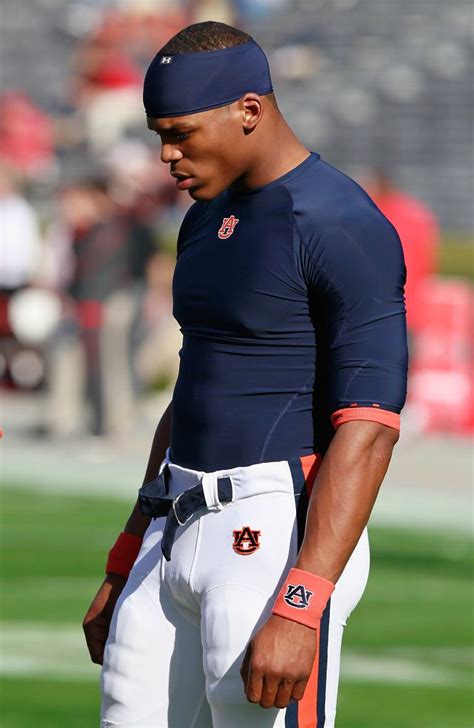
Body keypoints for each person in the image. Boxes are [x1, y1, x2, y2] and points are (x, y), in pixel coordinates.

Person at [83, 21, 408, 728]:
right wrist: (127, 549)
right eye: (158, 135)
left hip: (273, 529)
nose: (166, 155)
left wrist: (303, 600)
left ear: (249, 111)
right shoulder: (206, 218)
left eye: (181, 133)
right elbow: (192, 387)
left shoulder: (338, 222)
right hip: (175, 517)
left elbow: (372, 426)